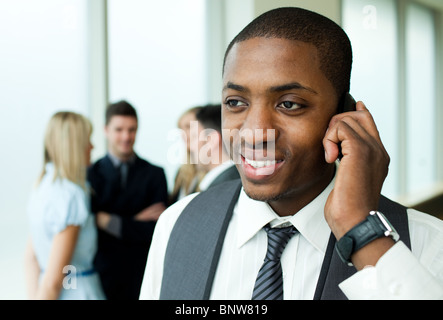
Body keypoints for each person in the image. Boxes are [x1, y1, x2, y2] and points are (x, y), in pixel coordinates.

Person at [139, 7, 443, 300]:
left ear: (345, 114)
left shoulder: (426, 244)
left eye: (289, 104)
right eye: (235, 102)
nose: (255, 133)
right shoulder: (178, 223)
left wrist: (360, 230)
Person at [87, 100, 168, 300]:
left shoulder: (155, 174)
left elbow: (155, 230)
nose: (126, 136)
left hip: (142, 276)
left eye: (132, 130)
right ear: (106, 130)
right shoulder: (90, 176)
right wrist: (135, 221)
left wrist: (109, 221)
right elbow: (90, 229)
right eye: (119, 129)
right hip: (101, 278)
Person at [24, 111, 105, 300]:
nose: (92, 146)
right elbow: (54, 281)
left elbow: (31, 258)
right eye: (88, 140)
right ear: (75, 146)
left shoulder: (41, 187)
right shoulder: (71, 195)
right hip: (77, 291)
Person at [189, 104, 240, 191]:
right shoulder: (236, 180)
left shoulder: (221, 190)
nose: (190, 147)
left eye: (194, 137)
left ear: (211, 140)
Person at [168, 106, 205, 205]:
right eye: (181, 129)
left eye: (189, 127)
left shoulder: (213, 172)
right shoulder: (181, 173)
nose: (183, 134)